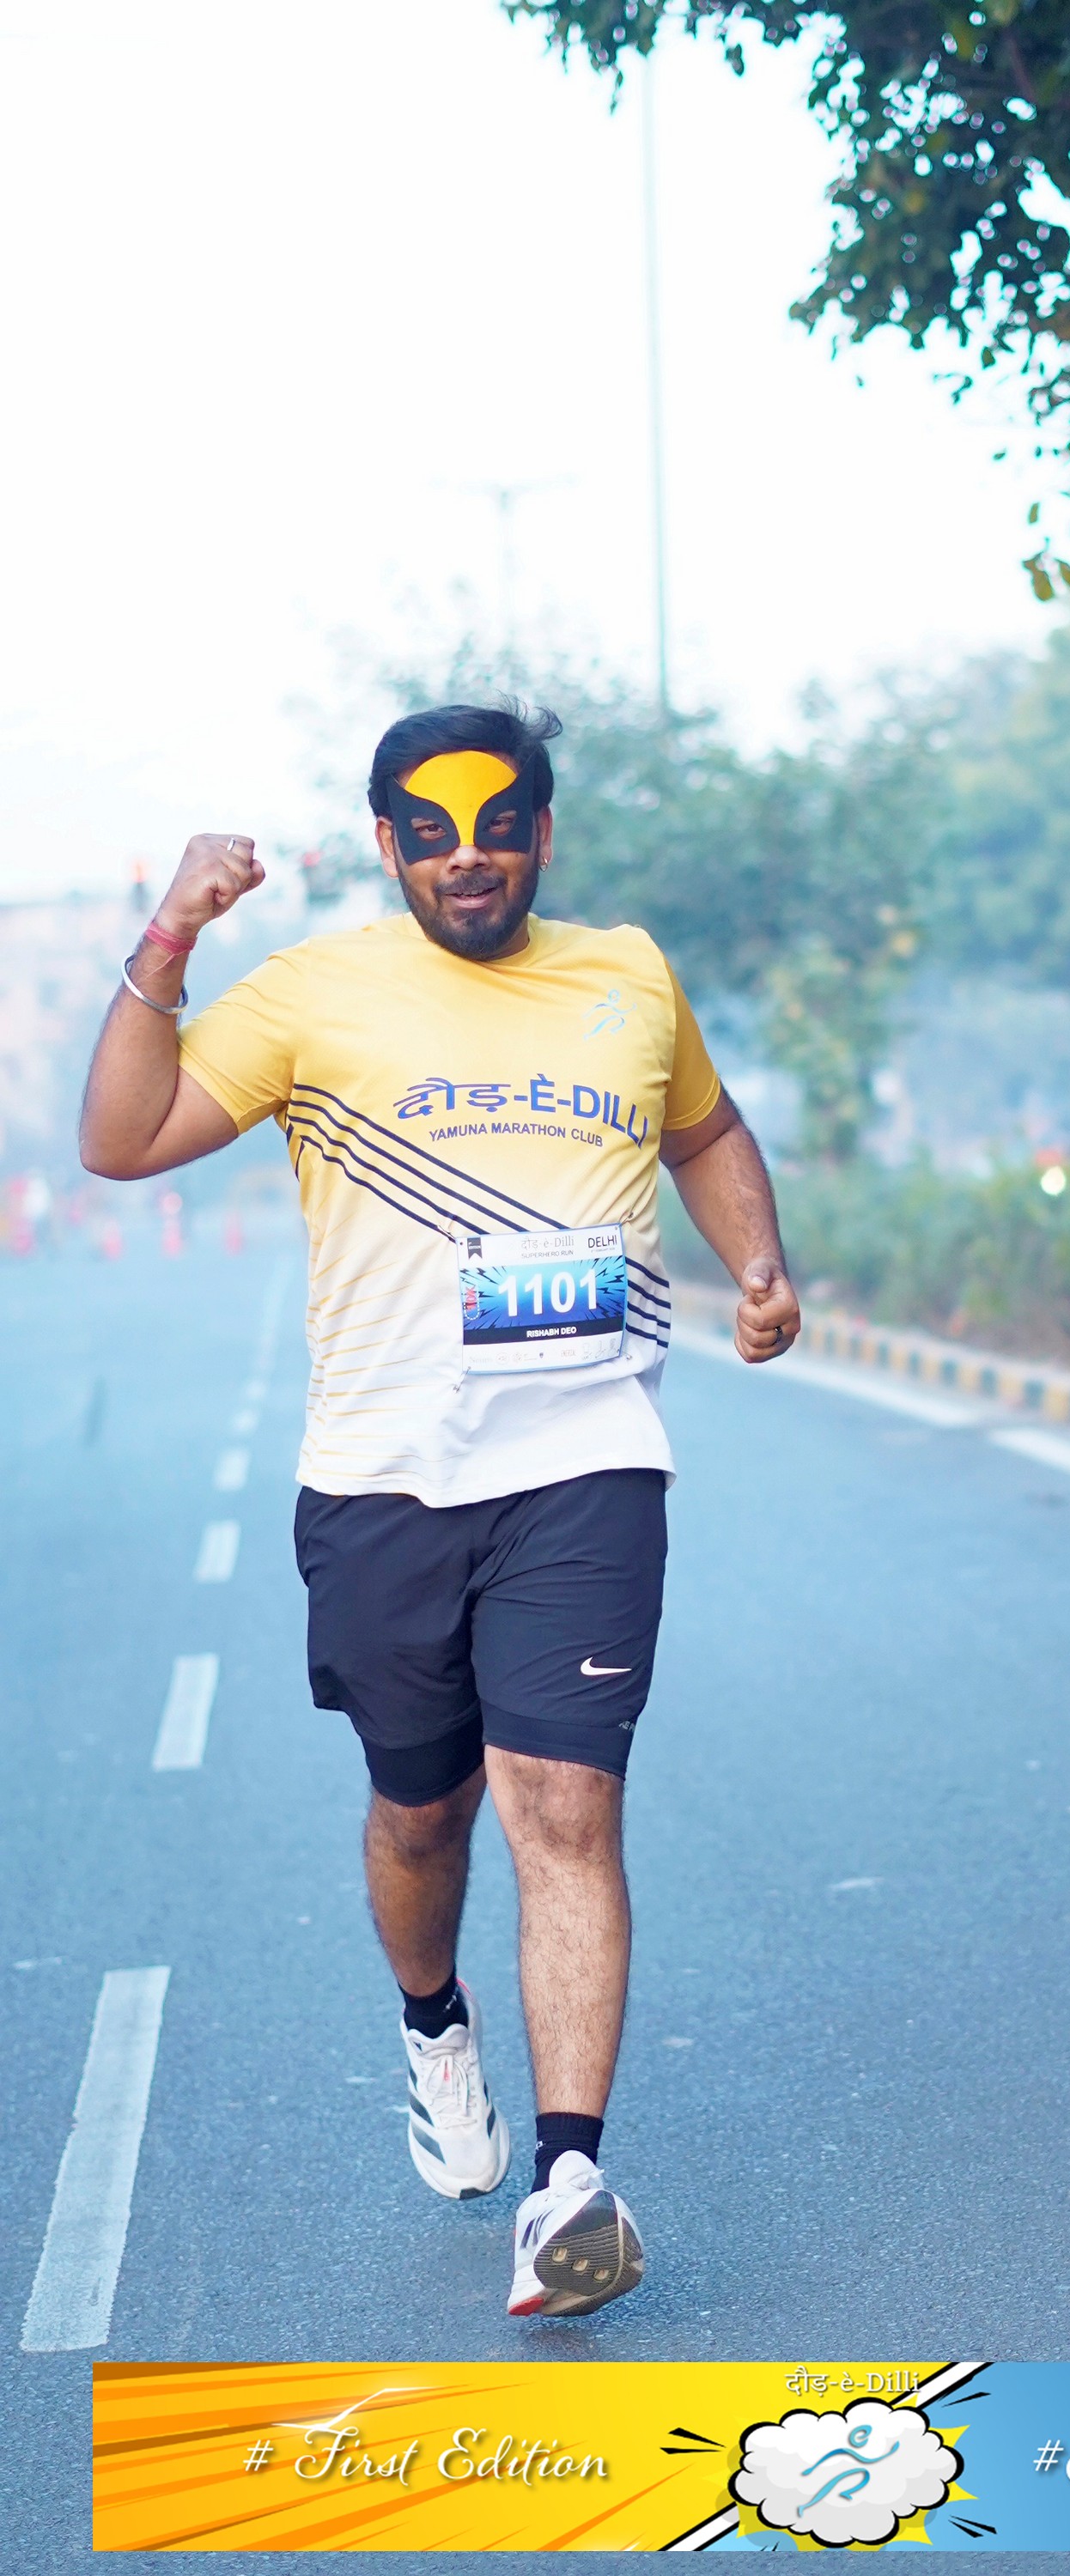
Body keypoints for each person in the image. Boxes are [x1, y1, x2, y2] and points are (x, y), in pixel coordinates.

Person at [80, 701, 802, 2317]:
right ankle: (432, 2025)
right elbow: (119, 1142)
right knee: (424, 1814)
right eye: (431, 833)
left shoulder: (628, 975)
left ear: (542, 830)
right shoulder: (311, 993)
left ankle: (569, 2184)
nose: (466, 858)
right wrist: (174, 931)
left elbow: (707, 1131)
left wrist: (759, 1260)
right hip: (384, 1479)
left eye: (496, 827)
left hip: (587, 1459)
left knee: (566, 1807)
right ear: (388, 841)